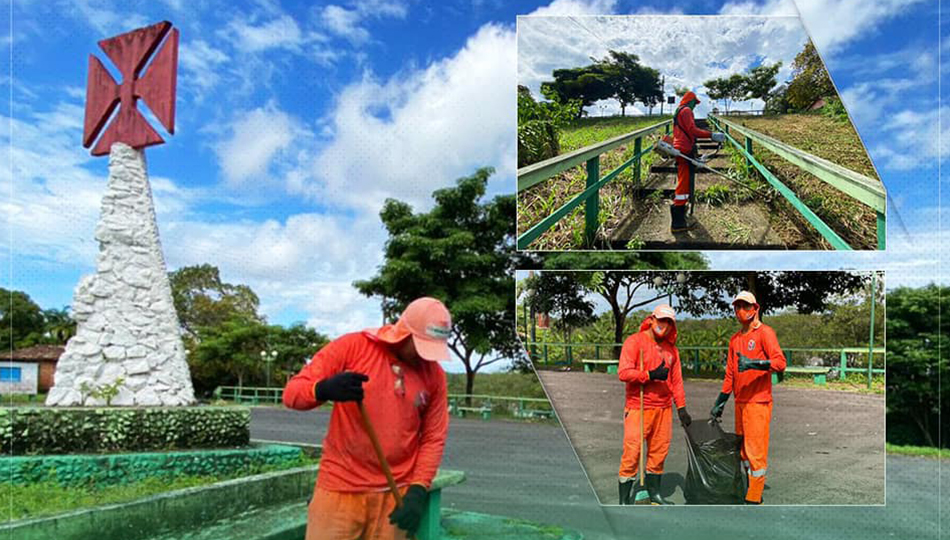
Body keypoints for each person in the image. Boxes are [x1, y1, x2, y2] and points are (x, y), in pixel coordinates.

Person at [283, 297, 452, 539]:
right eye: (421, 346)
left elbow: (434, 437)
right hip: (340, 489)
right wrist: (322, 390)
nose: (425, 357)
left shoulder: (434, 374)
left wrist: (418, 489)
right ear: (404, 332)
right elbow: (291, 395)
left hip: (397, 495)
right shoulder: (353, 347)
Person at [709, 291, 787, 504]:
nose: (740, 311)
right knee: (742, 450)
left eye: (745, 306)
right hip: (740, 402)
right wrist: (720, 403)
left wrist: (755, 363)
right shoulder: (735, 339)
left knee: (755, 451)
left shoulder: (765, 333)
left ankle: (754, 495)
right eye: (737, 307)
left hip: (758, 402)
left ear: (755, 308)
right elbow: (730, 375)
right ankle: (748, 485)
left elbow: (780, 363)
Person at [617, 304, 691, 505]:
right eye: (661, 320)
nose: (664, 325)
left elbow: (676, 382)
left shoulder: (671, 350)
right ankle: (624, 500)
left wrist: (681, 408)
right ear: (652, 319)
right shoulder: (634, 342)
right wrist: (649, 375)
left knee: (659, 452)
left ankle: (655, 495)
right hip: (638, 407)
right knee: (632, 452)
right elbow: (623, 373)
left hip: (664, 408)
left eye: (669, 322)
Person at [671, 90, 726, 232]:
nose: (695, 106)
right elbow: (692, 130)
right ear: (690, 101)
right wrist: (711, 135)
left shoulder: (678, 111)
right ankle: (678, 222)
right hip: (684, 148)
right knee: (684, 183)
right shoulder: (687, 110)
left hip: (680, 147)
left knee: (684, 180)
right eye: (695, 103)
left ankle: (681, 213)